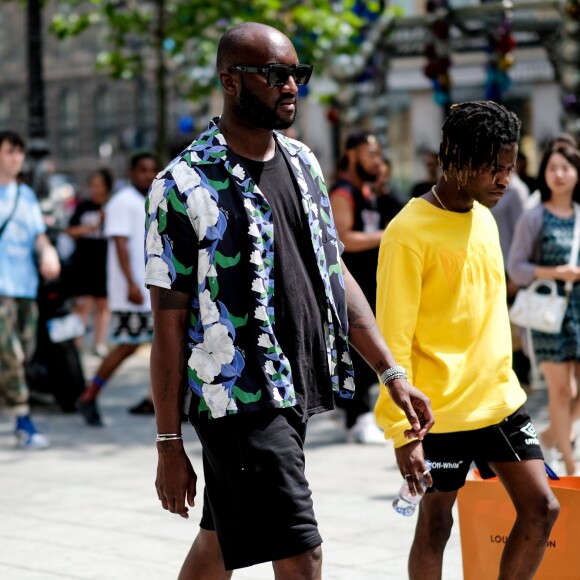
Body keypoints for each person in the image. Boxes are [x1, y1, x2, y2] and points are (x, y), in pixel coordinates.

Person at [145, 22, 433, 579]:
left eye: (297, 74)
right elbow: (169, 322)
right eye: (276, 74)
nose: (291, 86)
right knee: (301, 550)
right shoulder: (181, 183)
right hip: (238, 400)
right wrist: (167, 442)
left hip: (296, 383)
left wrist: (392, 373)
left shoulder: (303, 163)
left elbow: (334, 274)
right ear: (231, 81)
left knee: (221, 539)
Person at [375, 101, 559, 580]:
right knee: (435, 527)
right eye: (491, 168)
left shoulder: (485, 218)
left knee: (542, 509)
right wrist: (402, 432)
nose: (503, 179)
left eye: (509, 168)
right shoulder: (406, 232)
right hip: (438, 415)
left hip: (499, 402)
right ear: (454, 159)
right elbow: (391, 338)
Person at [508, 144, 580, 476]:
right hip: (550, 315)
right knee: (562, 389)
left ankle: (552, 436)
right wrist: (556, 273)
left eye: (566, 167)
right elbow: (516, 267)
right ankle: (568, 463)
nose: (559, 174)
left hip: (578, 311)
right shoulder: (534, 216)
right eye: (552, 168)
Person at [329, 131, 401, 443]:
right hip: (351, 284)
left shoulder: (368, 192)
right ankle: (356, 417)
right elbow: (341, 238)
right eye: (370, 154)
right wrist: (388, 235)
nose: (376, 160)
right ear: (352, 154)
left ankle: (362, 415)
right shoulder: (343, 193)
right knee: (354, 350)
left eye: (377, 154)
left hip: (372, 283)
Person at [77, 152, 158, 426]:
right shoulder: (122, 202)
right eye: (142, 170)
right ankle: (90, 394)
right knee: (127, 346)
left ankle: (154, 400)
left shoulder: (148, 199)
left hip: (150, 291)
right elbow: (120, 246)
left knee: (166, 345)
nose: (148, 175)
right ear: (132, 172)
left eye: (152, 170)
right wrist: (132, 285)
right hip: (134, 293)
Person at [0, 130, 61, 448]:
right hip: (1, 288)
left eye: (19, 152)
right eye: (10, 151)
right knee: (11, 353)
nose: (17, 157)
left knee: (25, 354)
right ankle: (23, 420)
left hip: (26, 286)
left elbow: (39, 235)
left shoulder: (25, 195)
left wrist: (48, 252)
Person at [490, 160, 532, 391]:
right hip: (497, 264)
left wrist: (516, 275)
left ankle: (521, 380)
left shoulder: (516, 190)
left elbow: (523, 232)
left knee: (514, 325)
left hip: (509, 268)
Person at [66, 168, 113, 357]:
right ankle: (78, 343)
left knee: (103, 303)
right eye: (93, 185)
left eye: (99, 185)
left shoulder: (113, 206)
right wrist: (90, 227)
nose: (96, 189)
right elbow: (70, 230)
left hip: (106, 262)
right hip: (84, 262)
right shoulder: (83, 207)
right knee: (83, 303)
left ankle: (99, 343)